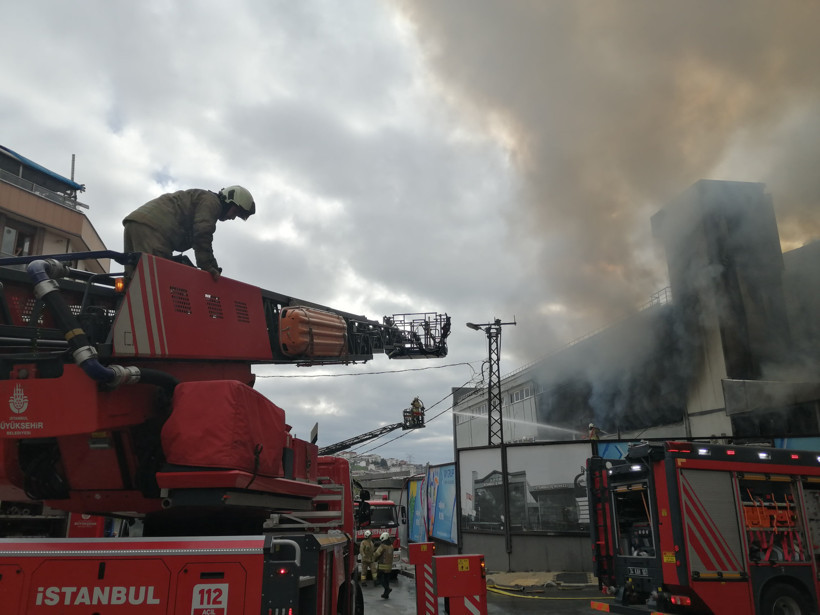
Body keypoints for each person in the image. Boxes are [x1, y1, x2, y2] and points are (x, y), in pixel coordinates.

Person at [122, 186, 256, 280]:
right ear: (228, 201)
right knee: (155, 283)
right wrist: (209, 267)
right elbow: (202, 234)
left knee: (133, 282)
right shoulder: (212, 202)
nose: (232, 218)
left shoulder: (202, 198)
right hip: (154, 230)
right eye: (235, 212)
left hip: (134, 223)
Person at [373, 531, 394, 599]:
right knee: (386, 580)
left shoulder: (382, 546)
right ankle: (386, 594)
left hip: (382, 566)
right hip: (389, 567)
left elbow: (377, 554)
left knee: (379, 578)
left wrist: (373, 558)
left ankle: (387, 589)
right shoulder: (391, 546)